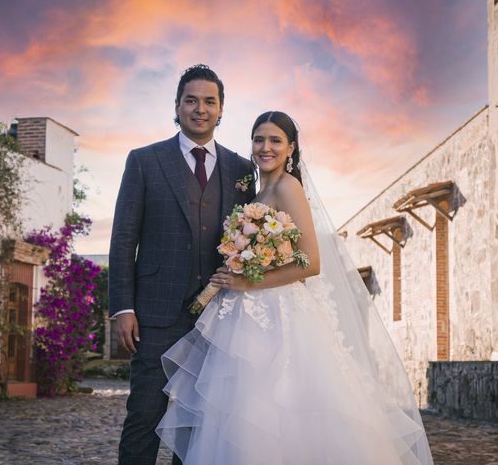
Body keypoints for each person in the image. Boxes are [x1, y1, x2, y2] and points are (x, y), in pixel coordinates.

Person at [156, 111, 434, 464]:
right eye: (259, 139)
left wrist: (246, 280)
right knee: (240, 410)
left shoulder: (289, 187)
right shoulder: (260, 190)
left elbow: (310, 263)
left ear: (291, 148)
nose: (265, 147)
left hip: (279, 315)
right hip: (246, 313)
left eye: (275, 140)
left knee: (276, 407)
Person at [108, 64, 256, 465]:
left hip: (217, 318)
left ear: (222, 109)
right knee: (143, 416)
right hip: (154, 315)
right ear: (177, 106)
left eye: (210, 101)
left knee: (200, 422)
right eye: (191, 100)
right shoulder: (144, 161)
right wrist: (122, 308)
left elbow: (251, 241)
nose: (200, 108)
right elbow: (124, 239)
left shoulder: (243, 170)